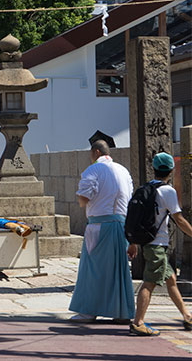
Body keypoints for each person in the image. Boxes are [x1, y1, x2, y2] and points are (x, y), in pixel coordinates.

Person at [68, 139, 135, 324]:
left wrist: (85, 204)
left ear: (96, 152)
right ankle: (121, 311)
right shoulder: (123, 170)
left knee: (93, 269)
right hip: (121, 225)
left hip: (99, 224)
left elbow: (83, 196)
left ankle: (88, 310)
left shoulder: (93, 170)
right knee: (119, 270)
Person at [128, 153, 192, 336]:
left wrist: (133, 242)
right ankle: (138, 322)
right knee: (148, 283)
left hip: (150, 243)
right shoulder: (168, 191)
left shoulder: (146, 188)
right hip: (157, 245)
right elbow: (178, 219)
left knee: (171, 280)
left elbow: (136, 218)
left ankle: (187, 316)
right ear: (171, 171)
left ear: (154, 169)